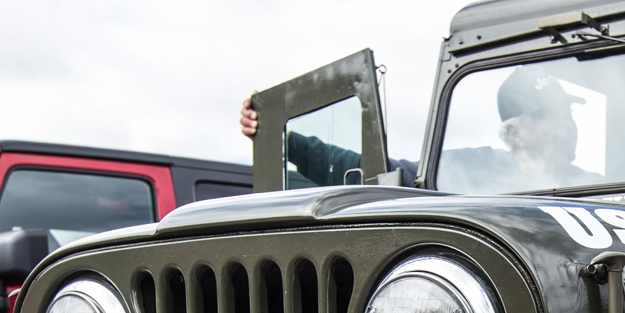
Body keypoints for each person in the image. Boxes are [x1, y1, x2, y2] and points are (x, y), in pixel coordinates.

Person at [238, 66, 599, 193]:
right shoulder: (471, 169)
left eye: (567, 113)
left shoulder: (591, 185)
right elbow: (374, 173)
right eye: (553, 115)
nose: (568, 125)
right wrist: (282, 137)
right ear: (516, 132)